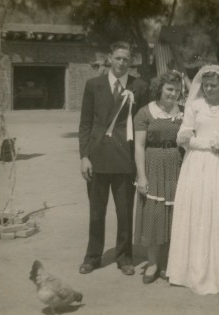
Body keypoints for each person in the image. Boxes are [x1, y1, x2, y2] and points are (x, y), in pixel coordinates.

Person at [166, 65, 219, 294]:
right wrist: (212, 144)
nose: (209, 89)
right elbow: (183, 137)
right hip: (196, 165)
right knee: (197, 212)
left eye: (213, 85)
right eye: (206, 85)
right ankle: (190, 270)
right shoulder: (195, 106)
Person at [78, 41, 149, 275]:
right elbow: (86, 124)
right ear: (110, 58)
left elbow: (144, 123)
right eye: (117, 58)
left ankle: (125, 257)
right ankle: (92, 257)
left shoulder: (140, 86)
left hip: (125, 159)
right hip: (97, 159)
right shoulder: (93, 85)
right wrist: (84, 156)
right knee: (96, 212)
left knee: (124, 212)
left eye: (125, 60)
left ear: (131, 62)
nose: (121, 63)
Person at [133, 71, 184, 284]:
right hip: (153, 165)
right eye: (169, 89)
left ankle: (169, 263)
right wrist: (141, 177)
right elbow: (139, 146)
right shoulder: (145, 113)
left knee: (174, 215)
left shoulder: (183, 112)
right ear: (160, 89)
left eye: (177, 90)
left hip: (177, 165)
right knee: (155, 215)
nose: (173, 94)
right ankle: (153, 263)